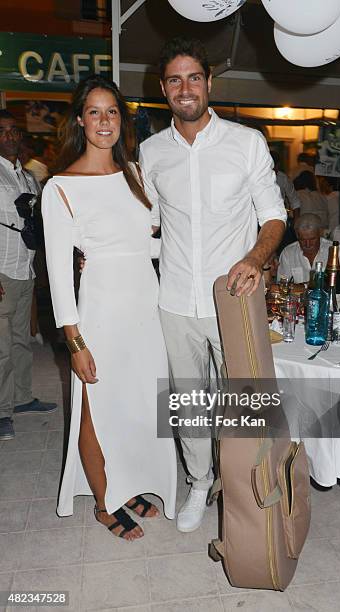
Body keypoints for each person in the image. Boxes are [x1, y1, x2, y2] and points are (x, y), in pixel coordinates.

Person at [139, 36, 286, 533]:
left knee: (244, 402)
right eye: (175, 79)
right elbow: (152, 226)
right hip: (175, 299)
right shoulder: (150, 151)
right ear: (163, 89)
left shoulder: (246, 143)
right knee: (189, 402)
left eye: (194, 77)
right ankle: (199, 481)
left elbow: (273, 218)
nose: (186, 88)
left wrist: (254, 258)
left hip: (234, 300)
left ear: (208, 83)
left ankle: (246, 485)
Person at [41, 75, 176, 540]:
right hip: (99, 311)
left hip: (147, 307)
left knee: (138, 404)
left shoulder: (136, 174)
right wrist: (75, 341)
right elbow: (59, 276)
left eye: (112, 111)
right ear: (80, 120)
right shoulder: (60, 187)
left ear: (123, 119)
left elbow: (150, 245)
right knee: (95, 408)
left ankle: (126, 483)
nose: (104, 121)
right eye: (94, 111)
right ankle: (103, 504)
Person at [0, 110, 56, 442]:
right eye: (2, 131)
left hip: (24, 269)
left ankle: (20, 399)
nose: (9, 136)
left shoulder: (27, 177)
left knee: (21, 340)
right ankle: (1, 409)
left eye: (13, 131)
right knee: (2, 346)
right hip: (2, 270)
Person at [277, 213, 340, 286]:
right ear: (297, 236)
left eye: (312, 239)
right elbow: (282, 285)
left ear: (320, 233)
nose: (308, 244)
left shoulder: (335, 250)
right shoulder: (288, 253)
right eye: (303, 240)